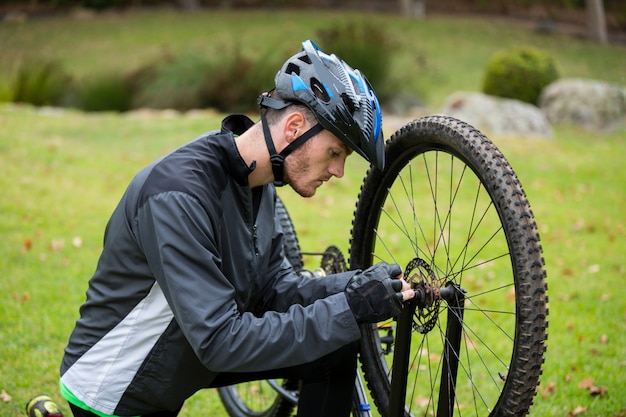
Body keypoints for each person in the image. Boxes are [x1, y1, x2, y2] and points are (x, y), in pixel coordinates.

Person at [33, 40, 415, 417]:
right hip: (116, 391)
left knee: (332, 345)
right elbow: (218, 339)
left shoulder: (258, 187)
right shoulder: (178, 194)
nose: (338, 171)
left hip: (181, 360)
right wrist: (347, 308)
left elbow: (273, 291)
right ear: (295, 126)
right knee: (334, 324)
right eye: (335, 152)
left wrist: (355, 289)